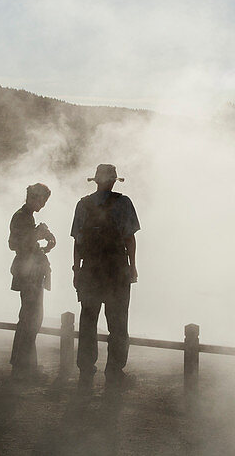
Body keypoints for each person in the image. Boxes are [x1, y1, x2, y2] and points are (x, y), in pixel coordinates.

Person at [72, 164, 140, 386]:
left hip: (90, 269)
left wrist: (76, 270)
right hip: (116, 269)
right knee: (118, 323)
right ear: (112, 181)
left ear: (96, 181)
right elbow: (129, 238)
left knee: (88, 321)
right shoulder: (124, 203)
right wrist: (133, 266)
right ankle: (114, 371)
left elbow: (77, 241)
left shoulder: (82, 205)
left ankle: (85, 369)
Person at [8, 182, 55, 380]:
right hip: (29, 275)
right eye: (43, 200)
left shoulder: (26, 217)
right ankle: (23, 368)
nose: (43, 204)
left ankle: (24, 366)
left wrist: (42, 240)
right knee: (30, 319)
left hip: (31, 273)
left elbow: (26, 243)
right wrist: (39, 234)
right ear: (35, 198)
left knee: (30, 319)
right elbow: (14, 244)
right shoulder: (21, 217)